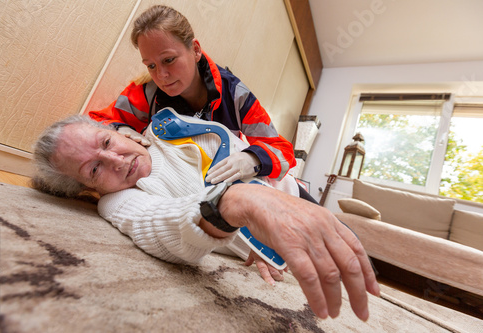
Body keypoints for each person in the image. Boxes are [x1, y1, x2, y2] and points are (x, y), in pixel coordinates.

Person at [33, 114, 380, 321]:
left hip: (295, 194)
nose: (117, 160)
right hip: (273, 231)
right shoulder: (117, 201)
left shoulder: (171, 131)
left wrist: (256, 170)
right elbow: (162, 228)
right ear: (86, 189)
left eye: (106, 142)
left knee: (362, 262)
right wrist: (237, 202)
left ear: (117, 130)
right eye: (94, 168)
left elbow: (249, 150)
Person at [88, 4, 296, 186]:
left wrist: (253, 159)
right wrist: (121, 129)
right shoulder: (147, 91)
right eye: (151, 65)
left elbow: (281, 150)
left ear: (195, 50)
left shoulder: (236, 96)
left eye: (168, 60)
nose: (161, 75)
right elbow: (96, 120)